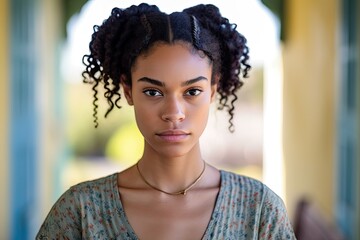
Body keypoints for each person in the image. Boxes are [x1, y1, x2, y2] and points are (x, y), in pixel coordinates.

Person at [37, 3, 296, 239]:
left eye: (192, 92)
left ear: (213, 92)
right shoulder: (80, 213)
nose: (174, 113)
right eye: (153, 92)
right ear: (128, 91)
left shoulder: (259, 211)